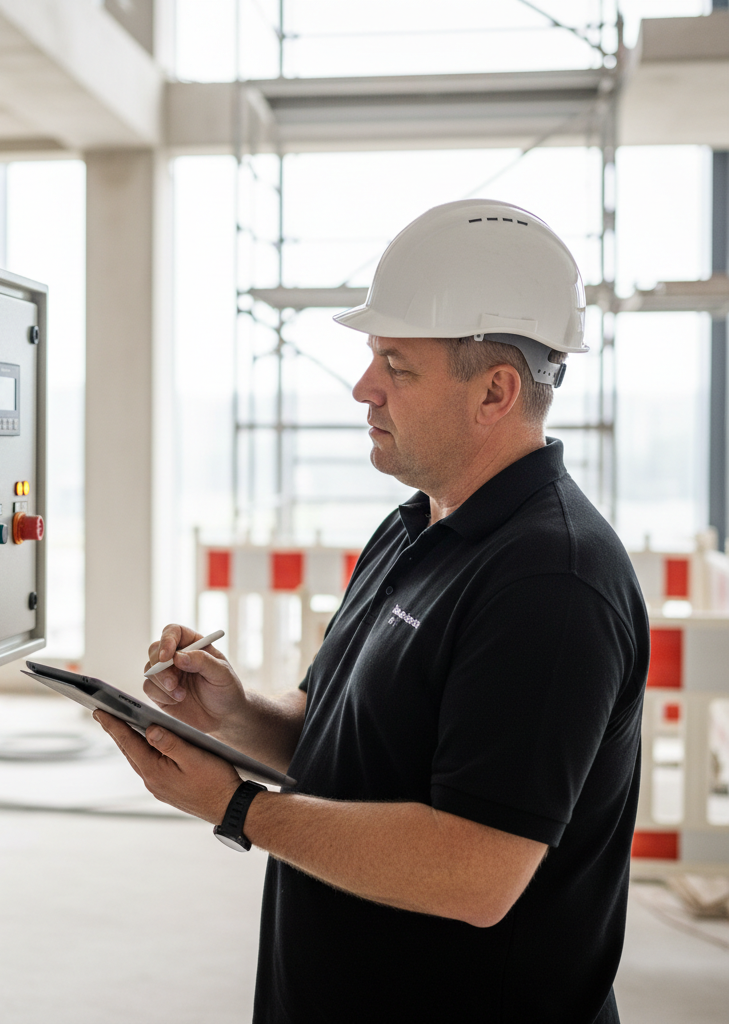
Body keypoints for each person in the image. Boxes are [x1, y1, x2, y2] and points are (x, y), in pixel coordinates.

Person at [95, 199, 649, 1023]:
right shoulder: (414, 529)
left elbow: (475, 871)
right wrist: (236, 713)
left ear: (495, 391)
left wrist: (236, 808)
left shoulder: (551, 583)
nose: (364, 387)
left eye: (397, 363)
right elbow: (341, 742)